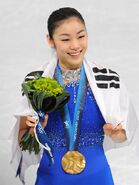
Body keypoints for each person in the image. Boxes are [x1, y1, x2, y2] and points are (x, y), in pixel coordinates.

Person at [10, 7, 139, 185]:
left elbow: (124, 135)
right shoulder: (36, 82)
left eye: (81, 36)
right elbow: (24, 141)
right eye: (65, 39)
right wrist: (35, 131)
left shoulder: (107, 80)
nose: (76, 45)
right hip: (52, 178)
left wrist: (117, 134)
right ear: (50, 40)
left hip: (97, 177)